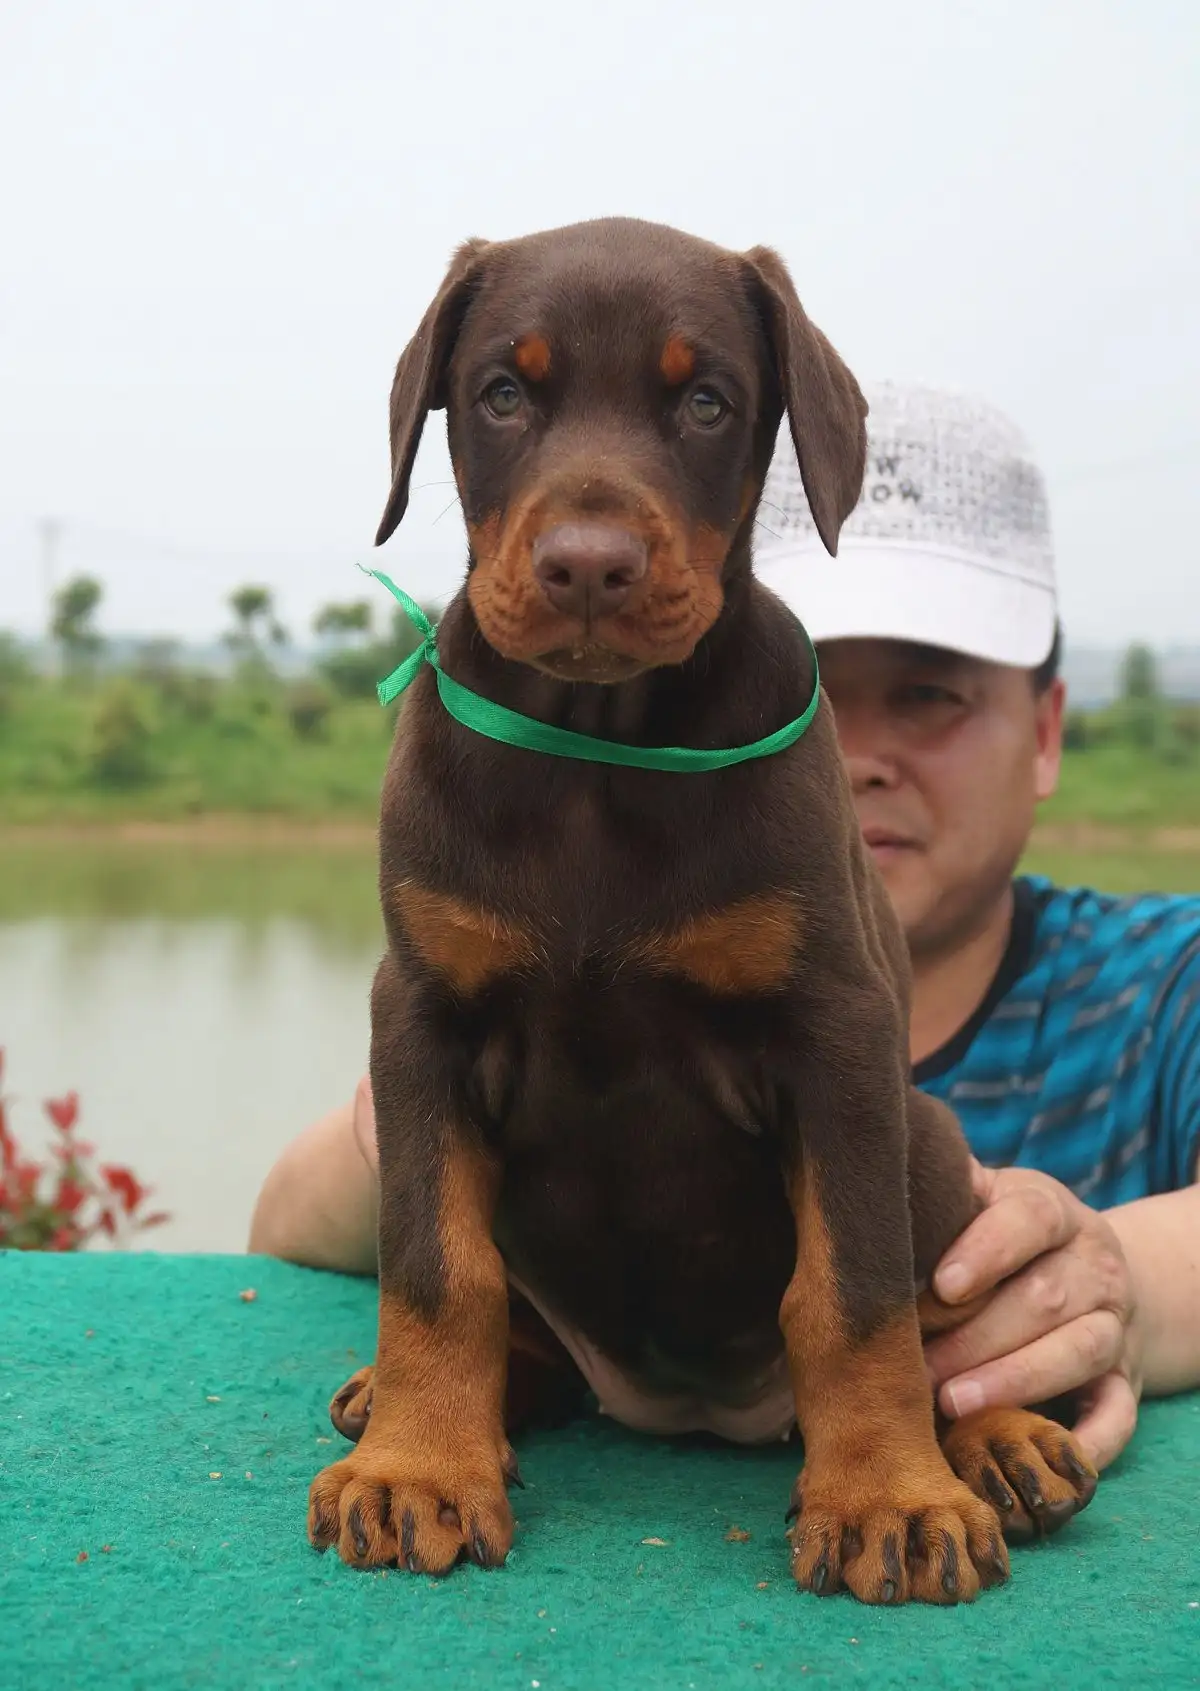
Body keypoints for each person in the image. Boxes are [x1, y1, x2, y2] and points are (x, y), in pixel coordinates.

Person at [250, 381, 1200, 1471]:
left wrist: (1120, 1284)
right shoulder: (539, 937)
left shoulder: (1164, 986)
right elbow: (279, 1228)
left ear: (1045, 732)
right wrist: (426, 1129)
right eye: (807, 680)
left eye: (932, 693)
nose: (851, 749)